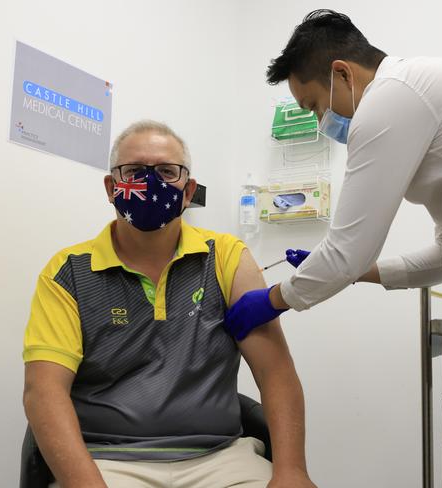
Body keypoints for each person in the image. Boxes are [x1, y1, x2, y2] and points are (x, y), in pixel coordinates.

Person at [224, 9, 442, 488]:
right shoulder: (434, 86)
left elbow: (347, 248)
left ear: (341, 73)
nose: (322, 121)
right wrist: (358, 272)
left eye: (314, 105)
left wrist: (271, 301)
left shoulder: (389, 99)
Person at [22, 120, 316, 488]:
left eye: (165, 171)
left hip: (221, 459)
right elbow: (44, 392)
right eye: (134, 171)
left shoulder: (225, 257)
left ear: (188, 190)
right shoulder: (67, 272)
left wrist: (292, 471)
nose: (150, 182)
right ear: (112, 188)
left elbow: (276, 373)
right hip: (108, 461)